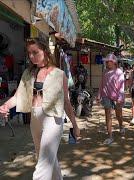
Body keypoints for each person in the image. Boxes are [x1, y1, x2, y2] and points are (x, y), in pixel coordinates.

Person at [0, 38, 80, 180]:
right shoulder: (28, 73)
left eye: (35, 52)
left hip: (53, 120)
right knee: (47, 159)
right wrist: (6, 105)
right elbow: (18, 97)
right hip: (35, 120)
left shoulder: (59, 74)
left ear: (45, 51)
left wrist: (74, 124)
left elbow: (66, 102)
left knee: (43, 166)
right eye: (29, 53)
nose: (31, 56)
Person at [97, 53, 125, 145]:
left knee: (118, 115)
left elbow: (121, 86)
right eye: (106, 61)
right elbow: (102, 84)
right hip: (106, 96)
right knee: (108, 115)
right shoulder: (105, 71)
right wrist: (99, 95)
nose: (107, 63)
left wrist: (120, 97)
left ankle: (121, 126)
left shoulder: (119, 72)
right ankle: (110, 136)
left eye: (109, 61)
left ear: (114, 62)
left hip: (117, 97)